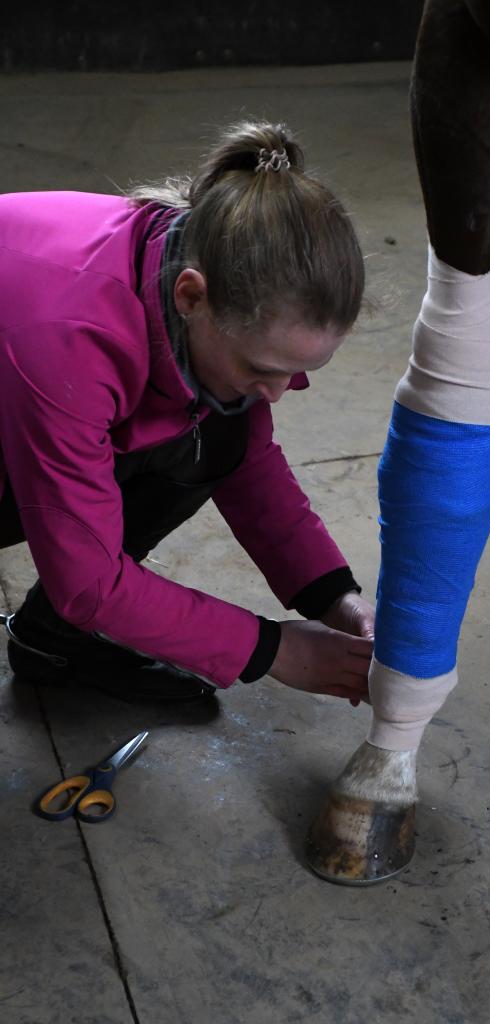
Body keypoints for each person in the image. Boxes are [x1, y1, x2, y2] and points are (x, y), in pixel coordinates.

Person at [0, 121, 375, 704]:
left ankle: (54, 642)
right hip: (34, 365)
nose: (277, 393)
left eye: (295, 372)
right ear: (191, 296)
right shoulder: (70, 336)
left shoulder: (201, 258)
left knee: (214, 434)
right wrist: (273, 650)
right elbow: (87, 582)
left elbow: (246, 461)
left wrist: (336, 599)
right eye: (262, 368)